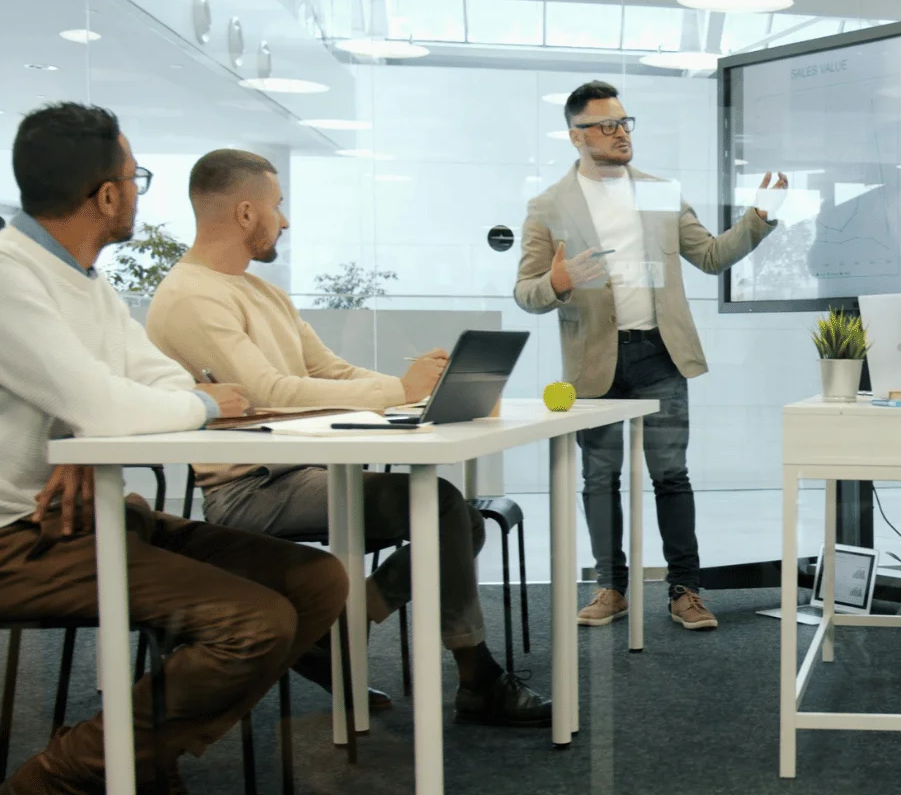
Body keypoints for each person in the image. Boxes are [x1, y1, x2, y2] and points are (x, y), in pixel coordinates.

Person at [0, 103, 349, 795]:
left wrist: (94, 428)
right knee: (255, 624)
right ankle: (60, 776)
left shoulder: (87, 281)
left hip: (89, 517)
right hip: (19, 536)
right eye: (136, 179)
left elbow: (156, 380)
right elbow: (115, 402)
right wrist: (138, 415)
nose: (138, 193)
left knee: (316, 580)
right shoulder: (11, 276)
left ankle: (137, 754)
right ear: (107, 196)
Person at [145, 149, 551, 727]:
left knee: (459, 519)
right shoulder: (190, 296)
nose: (285, 220)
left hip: (308, 471)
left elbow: (330, 371)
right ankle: (476, 677)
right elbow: (267, 392)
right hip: (251, 487)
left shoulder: (263, 293)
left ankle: (339, 626)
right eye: (277, 206)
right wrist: (398, 391)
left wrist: (416, 392)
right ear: (245, 213)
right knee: (440, 508)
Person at [514, 80, 788, 631]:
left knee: (671, 475)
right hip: (593, 362)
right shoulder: (548, 206)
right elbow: (526, 292)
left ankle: (685, 589)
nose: (620, 133)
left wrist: (759, 215)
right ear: (576, 136)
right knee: (599, 478)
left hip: (660, 356)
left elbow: (711, 256)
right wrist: (558, 282)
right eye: (606, 125)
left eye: (624, 122)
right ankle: (610, 587)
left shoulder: (661, 192)